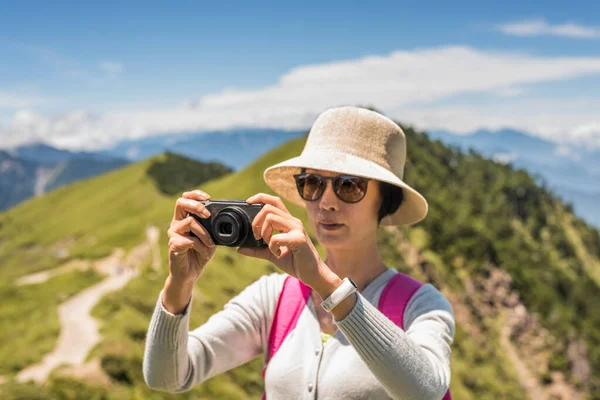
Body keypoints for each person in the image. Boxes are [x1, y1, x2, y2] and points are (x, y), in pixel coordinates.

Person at [143, 106, 455, 399]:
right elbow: (167, 377)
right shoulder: (274, 298)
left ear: (385, 201)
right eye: (312, 183)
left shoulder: (422, 305)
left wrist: (324, 283)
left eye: (349, 186)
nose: (326, 202)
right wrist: (180, 283)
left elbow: (426, 390)